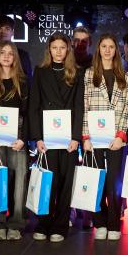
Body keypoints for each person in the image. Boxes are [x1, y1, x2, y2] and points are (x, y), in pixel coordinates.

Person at [29, 32, 83, 242]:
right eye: (54, 48)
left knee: (66, 183)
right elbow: (34, 106)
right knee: (47, 182)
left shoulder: (77, 72)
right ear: (49, 50)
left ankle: (60, 226)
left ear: (68, 49)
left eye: (62, 47)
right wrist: (37, 138)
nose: (58, 51)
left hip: (68, 137)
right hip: (47, 137)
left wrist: (76, 137)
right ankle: (43, 224)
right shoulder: (40, 71)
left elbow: (79, 106)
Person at [81, 33, 128, 241]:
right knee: (96, 180)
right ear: (99, 49)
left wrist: (121, 136)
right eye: (104, 46)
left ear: (116, 50)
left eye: (111, 46)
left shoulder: (125, 76)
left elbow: (127, 109)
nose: (108, 50)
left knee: (114, 183)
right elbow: (85, 106)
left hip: (115, 138)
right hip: (94, 136)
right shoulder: (89, 74)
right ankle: (99, 221)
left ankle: (113, 223)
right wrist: (85, 136)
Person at [0, 41, 29, 241]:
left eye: (11, 53)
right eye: (3, 52)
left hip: (17, 134)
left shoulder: (23, 81)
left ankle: (16, 224)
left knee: (19, 180)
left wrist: (24, 138)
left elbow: (29, 113)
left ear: (15, 57)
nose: (7, 56)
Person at [0, 15, 34, 80]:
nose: (3, 32)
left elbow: (29, 80)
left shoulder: (22, 55)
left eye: (7, 28)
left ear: (12, 32)